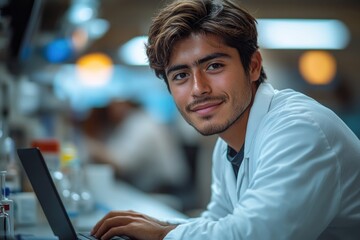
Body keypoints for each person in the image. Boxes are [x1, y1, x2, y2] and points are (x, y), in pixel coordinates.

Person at [90, 0, 360, 239]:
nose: (199, 88)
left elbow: (254, 234)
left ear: (253, 66)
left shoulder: (300, 129)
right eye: (180, 75)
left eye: (214, 66)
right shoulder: (229, 144)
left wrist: (164, 235)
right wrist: (157, 226)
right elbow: (221, 222)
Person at [85, 99, 189, 193]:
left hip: (165, 190)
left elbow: (121, 165)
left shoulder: (141, 124)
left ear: (127, 102)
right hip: (149, 188)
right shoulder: (126, 122)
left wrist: (90, 146)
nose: (110, 109)